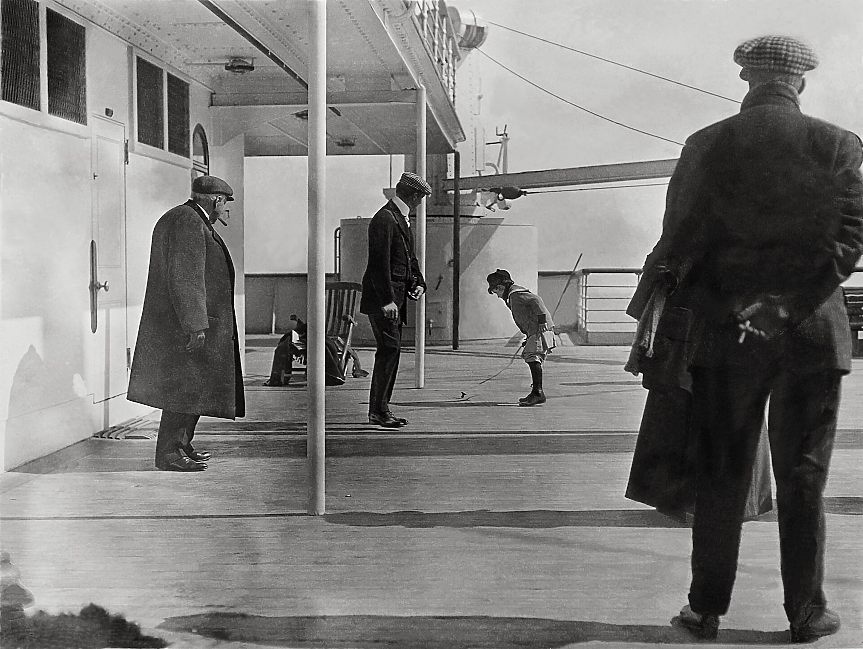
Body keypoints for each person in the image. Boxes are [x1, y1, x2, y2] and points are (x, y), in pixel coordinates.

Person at [630, 36, 863, 642]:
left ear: (746, 79)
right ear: (800, 83)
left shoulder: (705, 145)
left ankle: (705, 610)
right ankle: (806, 614)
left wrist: (738, 309)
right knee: (804, 477)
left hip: (727, 336)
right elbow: (848, 242)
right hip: (812, 337)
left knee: (721, 474)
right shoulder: (838, 143)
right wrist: (782, 308)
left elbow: (679, 237)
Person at [128, 175, 246, 472]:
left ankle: (181, 444)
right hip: (188, 325)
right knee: (184, 389)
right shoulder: (188, 221)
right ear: (217, 199)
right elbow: (185, 276)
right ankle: (169, 453)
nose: (226, 211)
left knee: (193, 388)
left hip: (193, 321)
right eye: (225, 204)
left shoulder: (189, 219)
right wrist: (194, 324)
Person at [360, 172, 430, 428]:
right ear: (415, 196)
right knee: (389, 350)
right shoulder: (385, 219)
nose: (421, 203)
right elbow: (378, 264)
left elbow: (408, 258)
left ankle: (380, 409)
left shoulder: (398, 217)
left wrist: (418, 282)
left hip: (395, 298)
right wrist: (387, 301)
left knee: (391, 350)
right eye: (421, 198)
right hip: (385, 300)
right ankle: (379, 411)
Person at [486, 269, 555, 406]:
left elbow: (537, 300)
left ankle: (538, 393)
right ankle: (536, 392)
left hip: (539, 329)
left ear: (500, 287)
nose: (498, 296)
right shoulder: (513, 295)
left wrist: (542, 322)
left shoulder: (515, 294)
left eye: (496, 292)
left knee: (532, 356)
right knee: (532, 356)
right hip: (534, 330)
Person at [263, 315, 369, 386]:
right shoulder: (317, 300)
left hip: (329, 338)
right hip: (313, 335)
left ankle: (329, 374)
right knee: (288, 342)